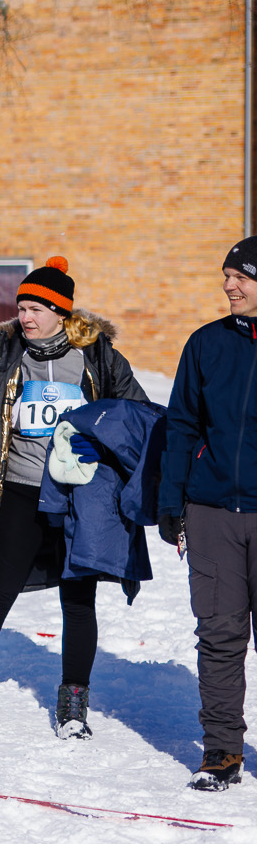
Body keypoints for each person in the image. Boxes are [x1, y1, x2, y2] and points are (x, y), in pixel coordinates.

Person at [0, 257, 148, 737]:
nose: (25, 317)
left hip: (80, 497)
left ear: (61, 312)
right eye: (21, 308)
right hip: (19, 491)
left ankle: (73, 705)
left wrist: (101, 441)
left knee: (78, 601)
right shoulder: (7, 359)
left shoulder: (98, 357)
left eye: (35, 308)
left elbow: (136, 415)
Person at [158, 237, 257, 790]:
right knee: (219, 636)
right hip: (212, 512)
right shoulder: (205, 343)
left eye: (241, 277)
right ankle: (221, 751)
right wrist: (171, 501)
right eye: (226, 275)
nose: (229, 285)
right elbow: (181, 426)